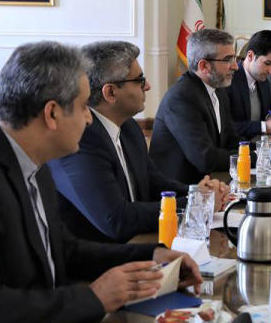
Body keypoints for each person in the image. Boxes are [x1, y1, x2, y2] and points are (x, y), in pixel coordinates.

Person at [0, 42, 201, 323]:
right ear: (52, 114)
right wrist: (96, 297)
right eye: (84, 106)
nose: (89, 118)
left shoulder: (31, 160)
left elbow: (62, 249)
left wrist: (151, 257)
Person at [49, 41, 228, 243]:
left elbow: (153, 182)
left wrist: (199, 192)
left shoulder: (129, 128)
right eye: (140, 80)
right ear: (111, 93)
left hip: (139, 242)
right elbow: (116, 219)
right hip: (99, 262)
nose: (148, 85)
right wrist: (196, 203)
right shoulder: (81, 140)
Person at [150, 28, 244, 184]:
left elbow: (231, 139)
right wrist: (254, 157)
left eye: (234, 58)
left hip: (212, 183)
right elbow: (205, 158)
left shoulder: (218, 90)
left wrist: (266, 149)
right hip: (178, 195)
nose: (235, 66)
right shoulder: (182, 98)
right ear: (204, 66)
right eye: (228, 59)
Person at [228, 30, 271, 139]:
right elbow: (226, 128)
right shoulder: (230, 81)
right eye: (267, 63)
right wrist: (264, 126)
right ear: (250, 56)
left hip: (262, 146)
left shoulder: (263, 81)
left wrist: (270, 117)